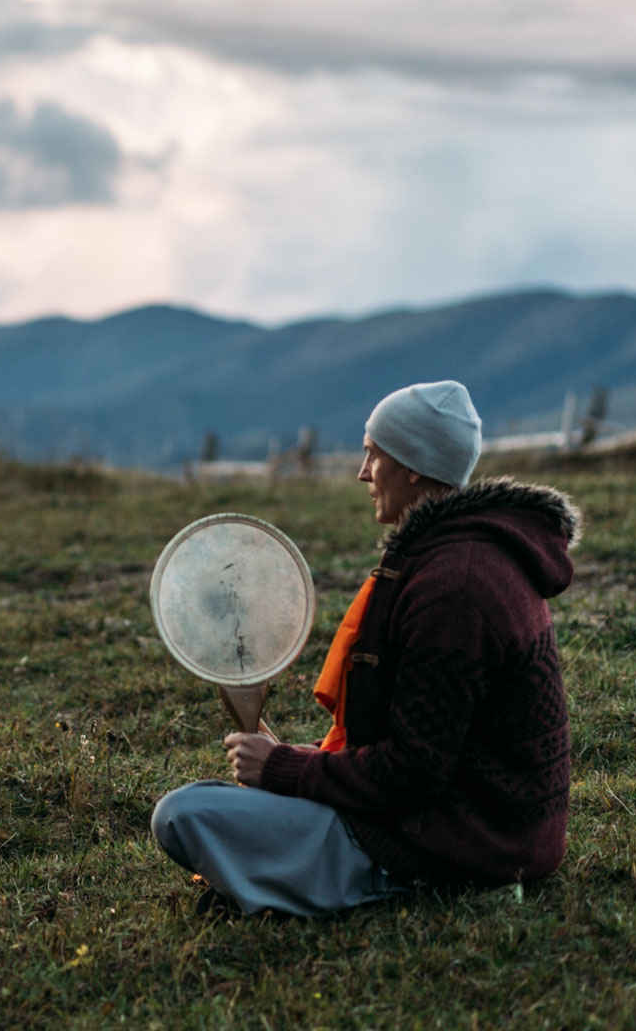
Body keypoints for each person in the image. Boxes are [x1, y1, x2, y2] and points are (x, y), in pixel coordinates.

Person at [151, 380, 578, 917]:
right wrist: (299, 764)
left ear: (413, 467)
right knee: (227, 800)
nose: (362, 473)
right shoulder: (465, 556)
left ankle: (373, 884)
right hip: (489, 825)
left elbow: (415, 773)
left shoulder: (454, 587)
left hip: (465, 846)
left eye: (373, 456)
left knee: (183, 813)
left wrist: (285, 771)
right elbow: (425, 745)